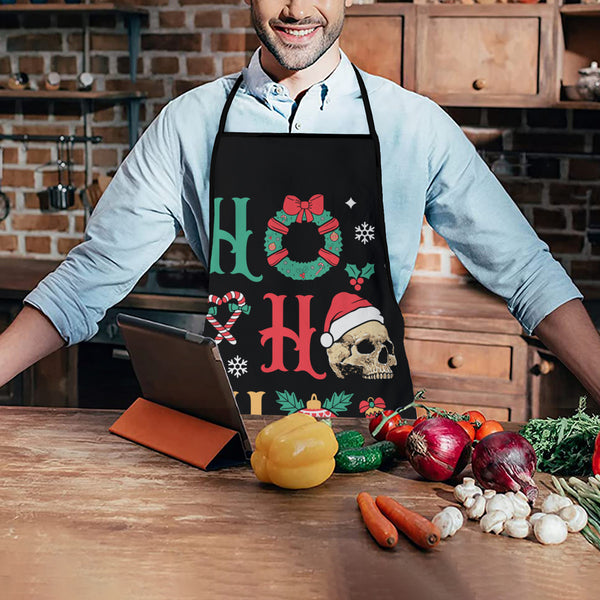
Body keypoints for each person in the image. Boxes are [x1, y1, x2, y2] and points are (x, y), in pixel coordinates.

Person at [1, 0, 599, 417]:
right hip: (231, 428)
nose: (295, 8)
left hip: (371, 431)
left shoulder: (411, 124)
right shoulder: (190, 123)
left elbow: (525, 270)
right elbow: (87, 282)